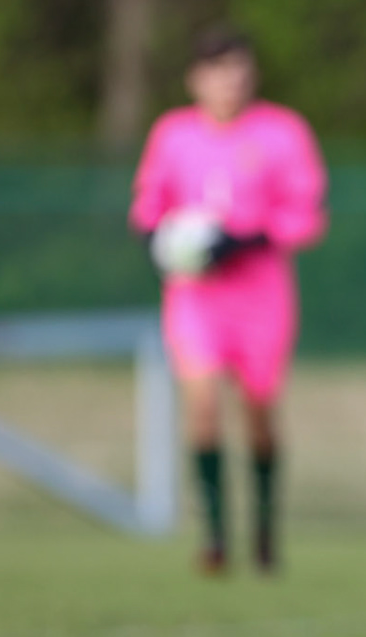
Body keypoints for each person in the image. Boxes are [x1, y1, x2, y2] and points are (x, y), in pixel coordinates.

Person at [129, 30, 327, 574]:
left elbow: (306, 212)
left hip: (261, 295)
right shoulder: (172, 134)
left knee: (258, 413)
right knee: (202, 408)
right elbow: (149, 207)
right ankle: (215, 538)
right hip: (196, 297)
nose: (230, 83)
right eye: (218, 71)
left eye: (239, 71)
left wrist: (243, 239)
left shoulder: (283, 132)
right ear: (197, 78)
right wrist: (160, 242)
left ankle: (264, 530)